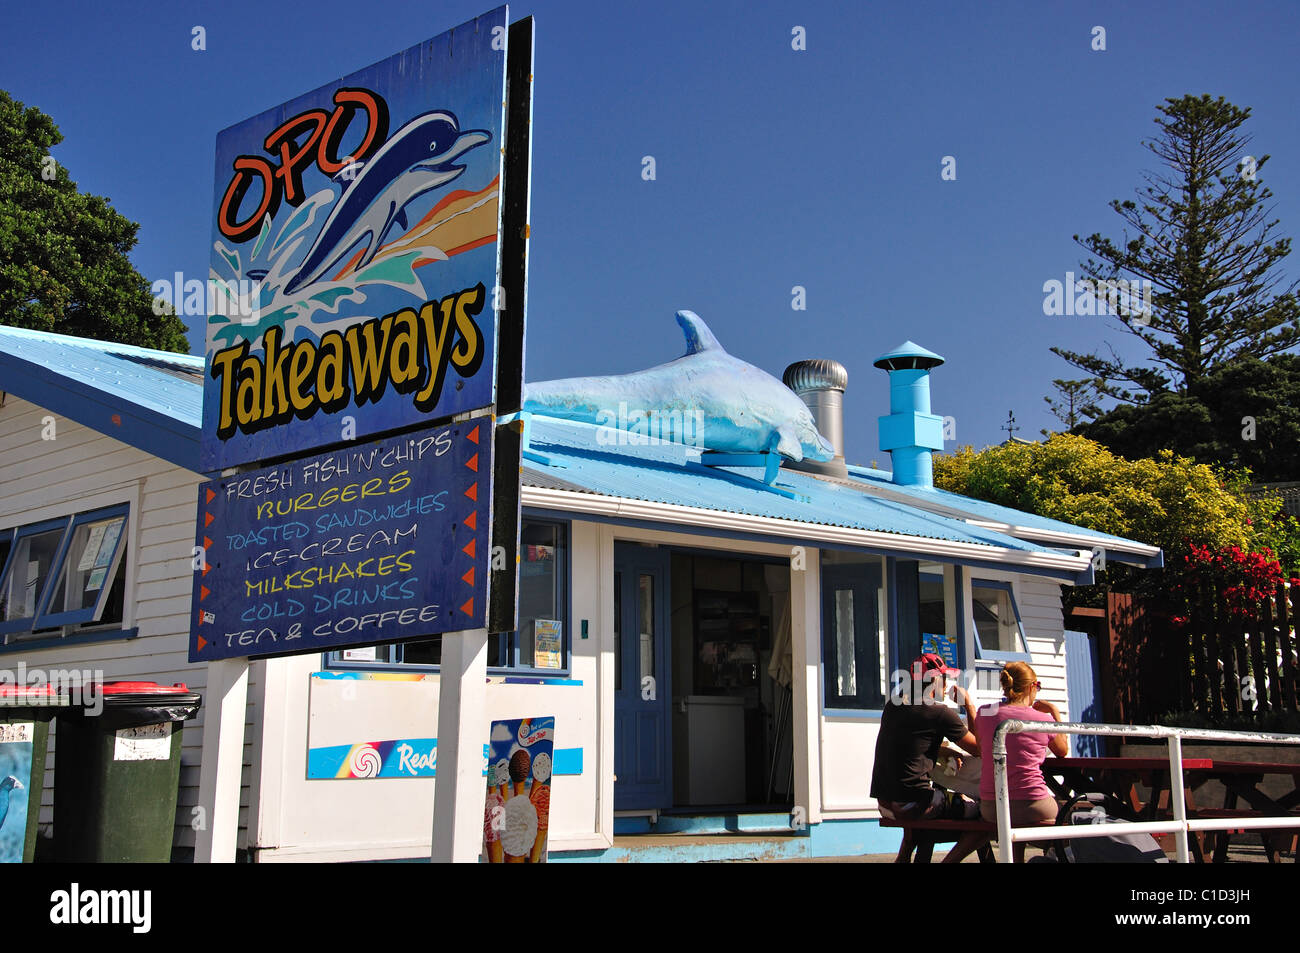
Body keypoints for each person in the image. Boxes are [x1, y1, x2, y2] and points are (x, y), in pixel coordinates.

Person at [870, 653, 987, 863]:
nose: (948, 684)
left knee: (927, 805)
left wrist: (944, 751)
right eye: (946, 679)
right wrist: (968, 704)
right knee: (985, 816)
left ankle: (905, 853)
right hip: (913, 806)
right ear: (935, 681)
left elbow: (910, 746)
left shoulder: (893, 707)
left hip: (885, 804)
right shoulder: (939, 713)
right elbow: (980, 749)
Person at [976, 660, 1069, 863]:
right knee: (1072, 818)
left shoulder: (984, 712)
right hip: (1032, 804)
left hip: (992, 806)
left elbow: (980, 745)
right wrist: (1053, 711)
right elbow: (1062, 751)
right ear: (1031, 687)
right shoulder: (1041, 719)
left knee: (1013, 822)